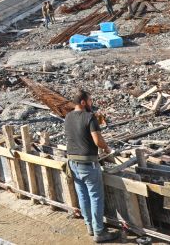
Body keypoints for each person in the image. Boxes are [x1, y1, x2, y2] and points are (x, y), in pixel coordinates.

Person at [65, 90, 118, 243]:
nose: (91, 103)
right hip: (88, 164)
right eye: (90, 101)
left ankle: (90, 227)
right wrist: (107, 149)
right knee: (95, 197)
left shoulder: (68, 117)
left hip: (72, 163)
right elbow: (98, 141)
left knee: (83, 196)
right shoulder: (90, 117)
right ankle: (99, 232)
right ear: (83, 102)